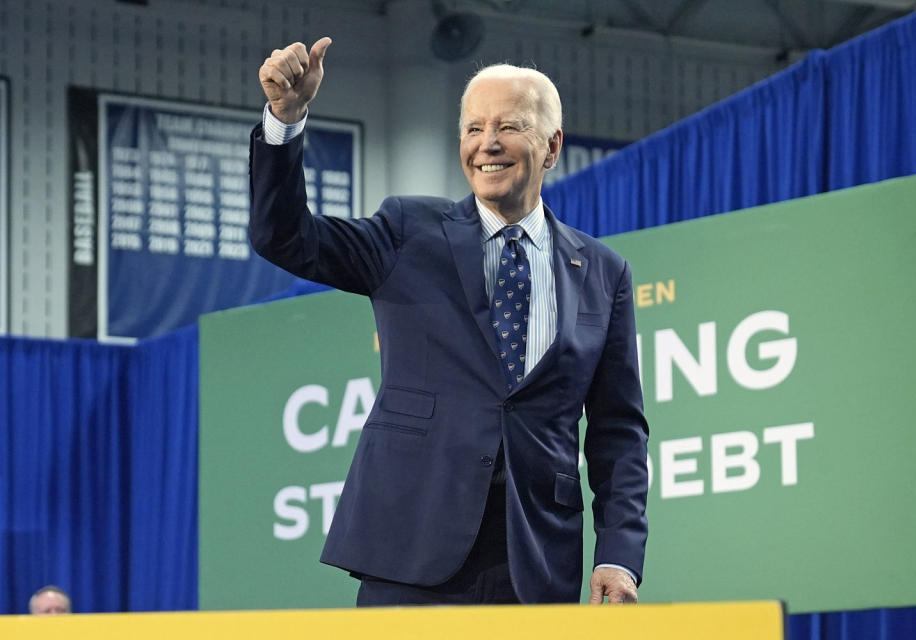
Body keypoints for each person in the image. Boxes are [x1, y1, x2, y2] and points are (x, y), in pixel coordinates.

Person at [250, 37, 649, 606]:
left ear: (553, 144)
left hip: (534, 559)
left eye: (509, 126)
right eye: (472, 128)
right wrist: (285, 121)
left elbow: (618, 433)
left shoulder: (603, 272)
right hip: (410, 547)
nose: (487, 144)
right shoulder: (408, 231)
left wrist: (618, 555)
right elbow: (284, 238)